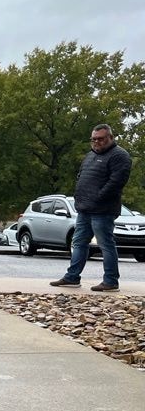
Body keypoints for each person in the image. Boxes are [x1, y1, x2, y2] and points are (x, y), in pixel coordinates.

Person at [50, 124, 132, 291]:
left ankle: (111, 281)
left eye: (100, 139)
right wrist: (79, 198)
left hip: (103, 210)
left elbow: (116, 182)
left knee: (105, 245)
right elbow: (81, 176)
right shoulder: (90, 155)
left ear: (110, 137)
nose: (96, 142)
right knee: (78, 243)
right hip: (84, 208)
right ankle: (72, 277)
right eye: (93, 139)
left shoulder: (120, 156)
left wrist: (99, 197)